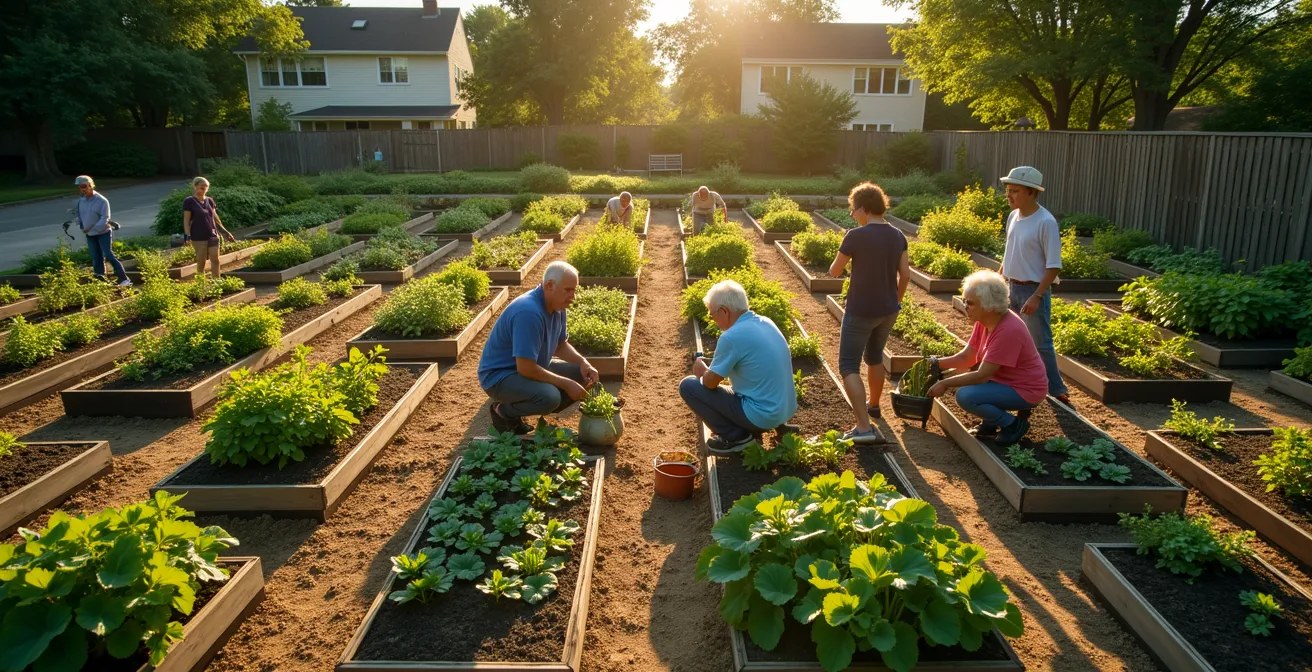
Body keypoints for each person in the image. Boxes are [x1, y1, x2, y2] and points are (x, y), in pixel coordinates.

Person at [926, 270, 1048, 444]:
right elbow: (967, 357)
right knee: (972, 384)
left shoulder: (1009, 330)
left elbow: (982, 374)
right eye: (964, 300)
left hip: (1025, 389)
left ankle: (1013, 424)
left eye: (970, 303)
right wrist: (935, 363)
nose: (965, 306)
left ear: (988, 305)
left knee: (966, 396)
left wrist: (944, 383)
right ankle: (991, 422)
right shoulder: (984, 321)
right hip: (1004, 381)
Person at [828, 182, 908, 444]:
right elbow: (905, 275)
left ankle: (863, 427)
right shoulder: (898, 235)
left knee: (848, 365)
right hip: (888, 310)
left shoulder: (855, 236)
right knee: (875, 358)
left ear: (863, 208)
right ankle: (874, 405)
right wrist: (896, 300)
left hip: (861, 310)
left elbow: (834, 271)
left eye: (853, 210)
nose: (853, 215)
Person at [478, 261, 600, 434]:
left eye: (575, 290)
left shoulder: (558, 307)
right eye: (568, 290)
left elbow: (560, 345)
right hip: (500, 377)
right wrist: (565, 384)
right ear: (549, 285)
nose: (573, 296)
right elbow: (526, 368)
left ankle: (522, 404)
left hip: (529, 367)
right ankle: (503, 412)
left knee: (580, 374)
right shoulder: (529, 313)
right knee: (549, 397)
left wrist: (583, 362)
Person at [679, 280, 798, 453]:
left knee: (689, 386)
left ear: (724, 311)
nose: (712, 320)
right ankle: (779, 428)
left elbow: (710, 383)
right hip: (784, 410)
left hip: (762, 416)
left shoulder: (731, 337)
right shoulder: (766, 322)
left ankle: (736, 437)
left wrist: (701, 370)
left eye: (712, 315)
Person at [998, 165, 1070, 405]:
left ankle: (1056, 390)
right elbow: (1010, 252)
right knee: (1007, 339)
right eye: (1008, 190)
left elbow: (1053, 265)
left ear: (1031, 192)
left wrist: (1037, 295)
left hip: (1031, 290)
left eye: (1014, 191)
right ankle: (1017, 382)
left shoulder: (1045, 222)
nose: (1009, 195)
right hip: (1009, 287)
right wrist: (999, 278)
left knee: (1040, 343)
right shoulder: (1013, 216)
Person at [73, 175, 131, 287]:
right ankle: (100, 281)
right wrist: (82, 226)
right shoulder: (81, 201)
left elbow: (105, 218)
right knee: (96, 257)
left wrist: (93, 228)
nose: (82, 189)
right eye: (80, 187)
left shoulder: (101, 201)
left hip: (103, 233)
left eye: (84, 186)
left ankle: (124, 279)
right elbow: (80, 215)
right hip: (90, 234)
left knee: (108, 255)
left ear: (90, 185)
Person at [182, 177, 237, 278]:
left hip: (212, 235)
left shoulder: (210, 201)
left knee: (216, 260)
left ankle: (217, 282)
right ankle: (200, 285)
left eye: (206, 188)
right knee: (201, 262)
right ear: (195, 186)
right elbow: (186, 221)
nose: (203, 190)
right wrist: (187, 236)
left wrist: (226, 232)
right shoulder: (189, 201)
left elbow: (216, 219)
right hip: (198, 237)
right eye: (201, 188)